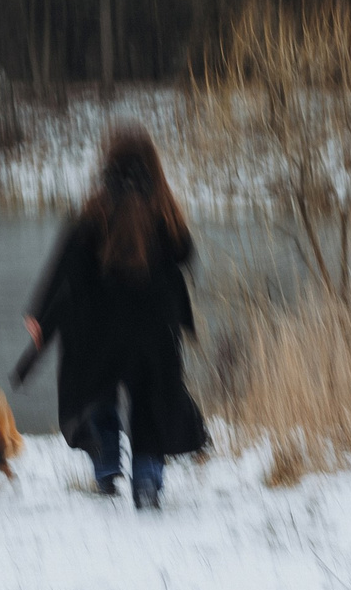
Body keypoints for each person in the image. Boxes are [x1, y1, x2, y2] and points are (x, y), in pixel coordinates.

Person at [12, 124, 208, 509]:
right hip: (155, 331)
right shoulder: (164, 211)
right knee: (149, 398)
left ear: (108, 164)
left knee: (93, 390)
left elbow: (67, 264)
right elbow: (185, 254)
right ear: (153, 166)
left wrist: (40, 314)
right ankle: (147, 481)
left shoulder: (94, 209)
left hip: (98, 330)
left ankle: (106, 460)